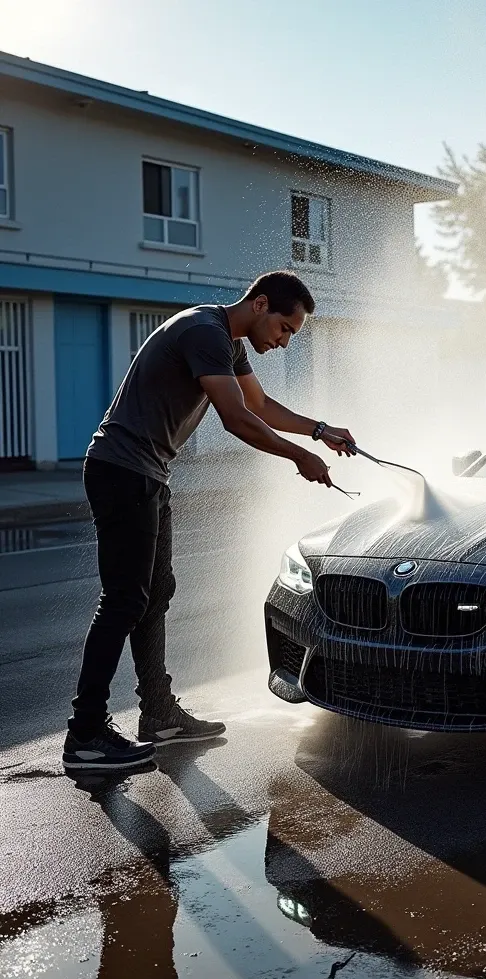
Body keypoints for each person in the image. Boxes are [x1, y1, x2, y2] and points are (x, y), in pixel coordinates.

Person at [63, 271, 354, 772]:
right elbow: (237, 419)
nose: (284, 342)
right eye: (284, 328)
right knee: (124, 600)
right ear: (260, 304)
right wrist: (298, 456)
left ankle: (159, 714)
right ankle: (85, 735)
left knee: (155, 593)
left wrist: (319, 431)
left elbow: (258, 405)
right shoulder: (204, 332)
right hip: (122, 472)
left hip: (147, 474)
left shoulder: (229, 343)